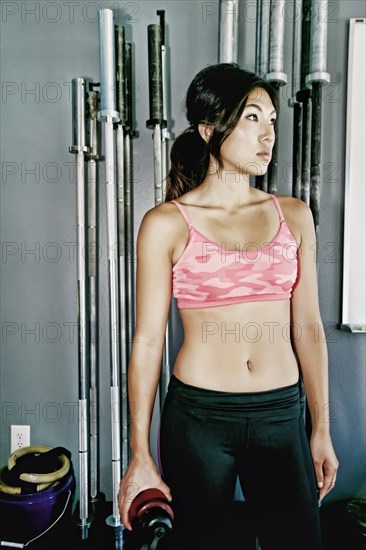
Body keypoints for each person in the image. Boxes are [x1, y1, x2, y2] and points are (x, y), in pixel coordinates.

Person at [118, 63, 339, 550]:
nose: (268, 135)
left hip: (281, 412)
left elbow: (308, 327)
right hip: (198, 418)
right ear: (209, 129)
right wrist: (139, 451)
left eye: (273, 122)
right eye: (252, 119)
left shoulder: (294, 215)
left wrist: (320, 428)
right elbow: (148, 340)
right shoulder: (166, 223)